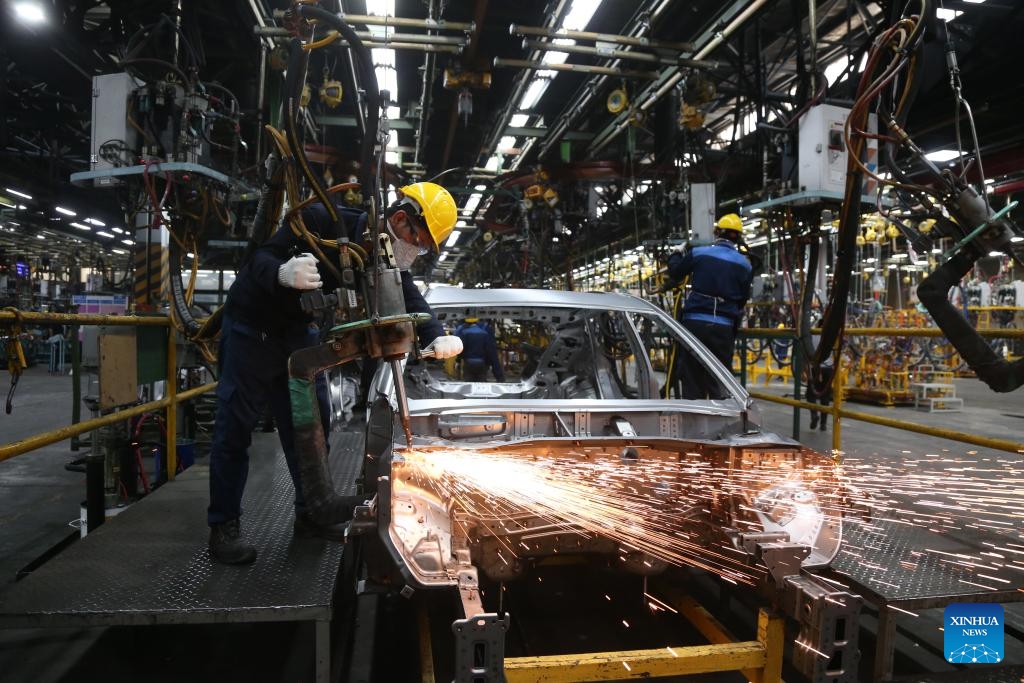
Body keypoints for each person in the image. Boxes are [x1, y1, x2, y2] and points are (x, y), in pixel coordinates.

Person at [207, 182, 464, 565]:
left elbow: (407, 293)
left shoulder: (383, 255)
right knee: (234, 429)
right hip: (251, 332)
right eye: (421, 242)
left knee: (312, 430)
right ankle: (224, 525)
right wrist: (280, 272)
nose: (420, 252)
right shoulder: (320, 220)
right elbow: (257, 259)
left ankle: (311, 512)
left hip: (298, 337)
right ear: (400, 220)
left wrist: (434, 333)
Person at [667, 213, 753, 399]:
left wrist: (675, 253)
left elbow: (675, 272)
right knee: (719, 378)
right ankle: (719, 421)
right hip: (724, 328)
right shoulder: (745, 265)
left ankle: (693, 421)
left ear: (717, 233)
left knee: (691, 376)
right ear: (738, 237)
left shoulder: (699, 253)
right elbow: (743, 298)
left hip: (695, 325)